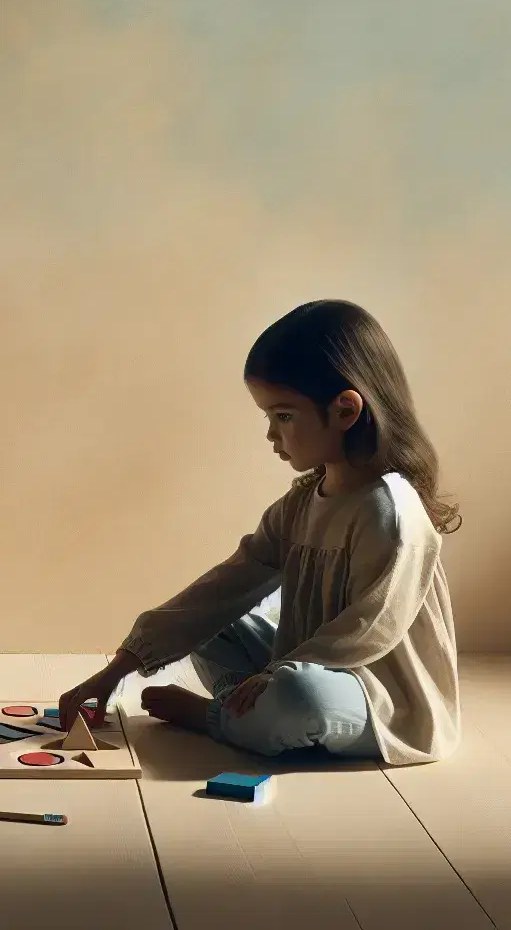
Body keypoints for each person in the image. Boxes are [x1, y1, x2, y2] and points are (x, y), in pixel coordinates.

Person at [58, 300, 461, 765]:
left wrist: (278, 672)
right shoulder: (302, 503)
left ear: (346, 410)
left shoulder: (390, 507)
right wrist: (117, 669)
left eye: (284, 416)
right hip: (297, 665)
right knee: (214, 623)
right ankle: (252, 712)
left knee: (299, 697)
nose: (271, 434)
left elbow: (371, 627)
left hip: (377, 698)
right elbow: (224, 589)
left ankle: (224, 718)